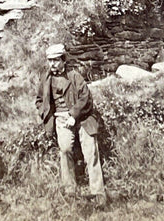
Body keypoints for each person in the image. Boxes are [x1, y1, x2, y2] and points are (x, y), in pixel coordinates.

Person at [35, 43, 106, 206]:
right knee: (65, 149)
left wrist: (73, 115)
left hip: (82, 118)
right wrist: (46, 114)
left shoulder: (75, 76)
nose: (52, 64)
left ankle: (98, 193)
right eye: (49, 60)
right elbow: (39, 100)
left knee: (91, 153)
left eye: (55, 60)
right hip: (60, 119)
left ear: (63, 60)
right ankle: (70, 192)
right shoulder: (45, 79)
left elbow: (86, 99)